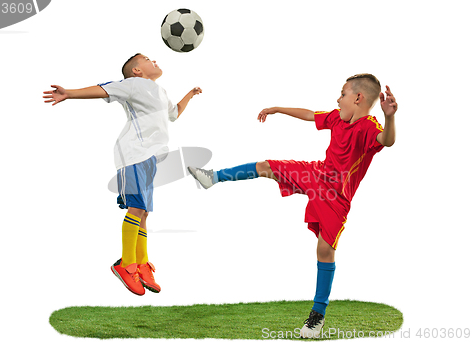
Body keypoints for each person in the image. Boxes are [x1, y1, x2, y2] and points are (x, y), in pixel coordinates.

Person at [188, 74, 397, 338]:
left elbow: (386, 140)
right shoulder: (337, 118)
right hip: (316, 174)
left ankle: (317, 316)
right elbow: (311, 115)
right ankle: (213, 177)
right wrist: (277, 109)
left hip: (336, 195)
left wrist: (390, 117)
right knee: (267, 166)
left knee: (324, 249)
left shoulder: (369, 126)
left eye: (342, 94)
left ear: (358, 98)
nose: (338, 98)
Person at [43, 53, 202, 296]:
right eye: (148, 59)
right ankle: (126, 264)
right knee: (136, 209)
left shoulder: (160, 92)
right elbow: (102, 89)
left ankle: (141, 263)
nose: (154, 60)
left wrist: (189, 95)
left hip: (151, 158)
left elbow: (174, 114)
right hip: (133, 153)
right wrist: (70, 93)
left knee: (144, 212)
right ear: (137, 71)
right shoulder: (133, 85)